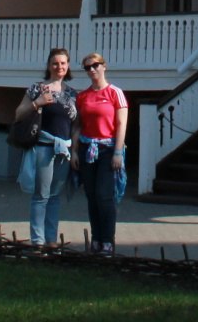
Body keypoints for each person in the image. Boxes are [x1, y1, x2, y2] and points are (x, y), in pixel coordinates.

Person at [15, 48, 77, 246]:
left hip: (64, 150)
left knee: (55, 196)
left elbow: (75, 125)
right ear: (49, 66)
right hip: (44, 148)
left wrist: (74, 150)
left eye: (63, 63)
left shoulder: (72, 94)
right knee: (41, 196)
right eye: (55, 63)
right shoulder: (37, 88)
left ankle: (51, 240)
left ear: (68, 66)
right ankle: (38, 242)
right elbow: (18, 113)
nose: (59, 67)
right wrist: (38, 103)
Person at [74, 52, 128, 255]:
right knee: (91, 196)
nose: (92, 70)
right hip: (88, 149)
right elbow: (78, 125)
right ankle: (96, 239)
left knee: (104, 195)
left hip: (108, 149)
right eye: (87, 67)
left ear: (104, 66)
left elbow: (122, 123)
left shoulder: (115, 93)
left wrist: (118, 152)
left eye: (95, 65)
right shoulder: (83, 96)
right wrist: (75, 151)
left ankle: (107, 240)